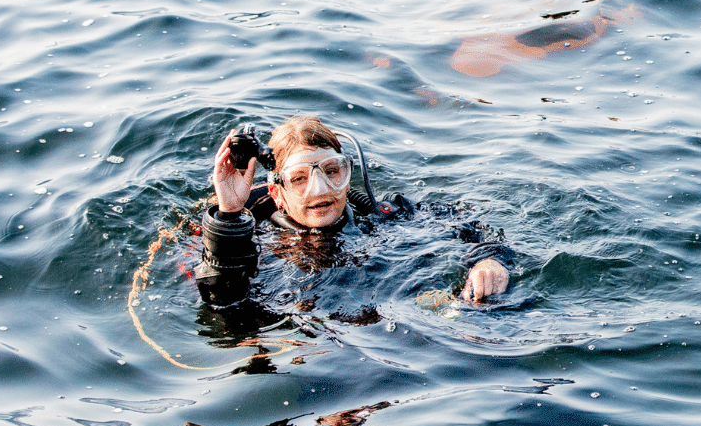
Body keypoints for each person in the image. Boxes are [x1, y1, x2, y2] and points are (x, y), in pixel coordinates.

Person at [193, 115, 514, 328]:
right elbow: (225, 310)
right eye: (300, 179)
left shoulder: (381, 216)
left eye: (331, 171)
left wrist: (489, 260)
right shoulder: (257, 245)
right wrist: (230, 213)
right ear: (278, 193)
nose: (319, 190)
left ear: (347, 177)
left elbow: (466, 222)